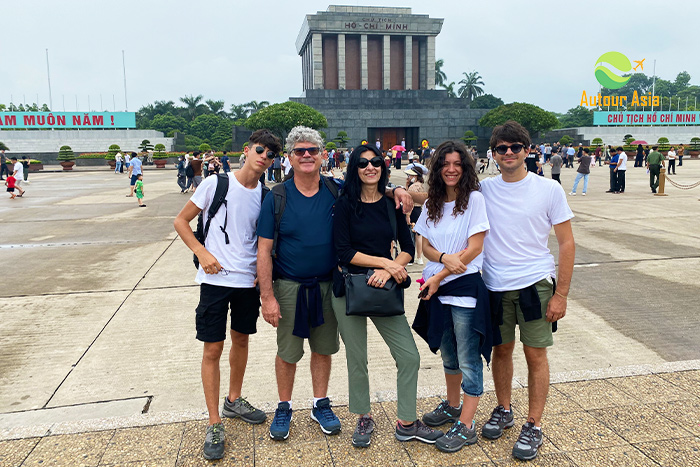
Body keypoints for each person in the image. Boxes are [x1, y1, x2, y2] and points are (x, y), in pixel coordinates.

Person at [256, 126, 414, 442]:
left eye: (312, 150)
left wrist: (398, 190)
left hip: (330, 284)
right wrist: (267, 296)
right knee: (288, 351)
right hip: (289, 286)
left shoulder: (335, 189)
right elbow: (263, 249)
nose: (306, 156)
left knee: (324, 348)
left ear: (323, 155)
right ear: (289, 157)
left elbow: (368, 190)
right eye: (299, 151)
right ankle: (284, 406)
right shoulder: (277, 197)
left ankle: (320, 403)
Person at [173, 129, 281, 461]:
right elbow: (180, 221)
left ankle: (233, 400)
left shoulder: (265, 195)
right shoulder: (216, 183)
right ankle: (214, 421)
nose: (264, 157)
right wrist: (202, 252)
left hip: (247, 282)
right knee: (212, 348)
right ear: (246, 151)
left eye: (271, 154)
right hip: (215, 281)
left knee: (242, 341)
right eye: (260, 150)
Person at [332, 145, 443, 448]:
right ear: (354, 168)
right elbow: (343, 251)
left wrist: (395, 266)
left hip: (384, 290)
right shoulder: (344, 205)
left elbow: (407, 244)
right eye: (363, 163)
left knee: (409, 356)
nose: (371, 167)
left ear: (383, 166)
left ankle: (407, 421)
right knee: (357, 358)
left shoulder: (391, 203)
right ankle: (364, 415)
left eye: (376, 162)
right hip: (349, 287)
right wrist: (385, 264)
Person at [479, 121, 574, 461]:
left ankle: (533, 423)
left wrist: (561, 294)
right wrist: (395, 192)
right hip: (495, 284)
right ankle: (504, 409)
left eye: (515, 147)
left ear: (528, 150)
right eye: (501, 148)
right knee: (501, 351)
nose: (508, 153)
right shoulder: (485, 190)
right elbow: (441, 194)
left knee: (535, 354)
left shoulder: (548, 190)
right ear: (493, 154)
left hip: (535, 283)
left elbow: (566, 242)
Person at [414, 140, 491, 453]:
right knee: (448, 353)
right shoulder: (432, 202)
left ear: (466, 167)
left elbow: (475, 248)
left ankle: (467, 424)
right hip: (438, 286)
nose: (451, 169)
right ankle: (452, 404)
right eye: (445, 163)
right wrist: (444, 259)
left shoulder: (474, 199)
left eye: (457, 163)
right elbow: (426, 247)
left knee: (468, 358)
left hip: (464, 288)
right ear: (437, 168)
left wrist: (441, 274)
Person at [406, 168, 426, 265]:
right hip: (419, 210)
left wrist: (408, 215)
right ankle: (419, 257)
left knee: (411, 235)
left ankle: (411, 258)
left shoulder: (413, 187)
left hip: (413, 210)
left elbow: (410, 201)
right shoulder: (421, 185)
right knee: (419, 234)